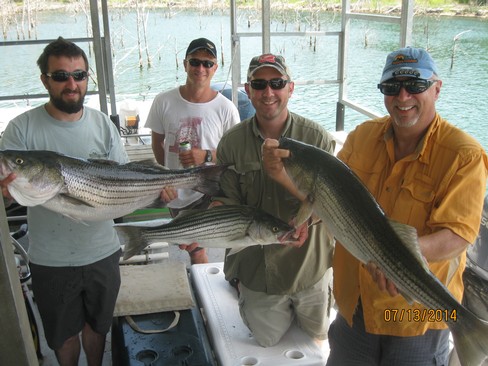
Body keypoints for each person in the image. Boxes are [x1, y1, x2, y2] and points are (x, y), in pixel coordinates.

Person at [263, 47, 488, 365]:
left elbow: (458, 236)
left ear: (437, 89)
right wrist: (281, 176)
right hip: (355, 307)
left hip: (417, 317)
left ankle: (469, 331)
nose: (403, 96)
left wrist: (398, 262)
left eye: (415, 86)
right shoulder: (362, 137)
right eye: (391, 87)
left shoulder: (463, 155)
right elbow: (325, 199)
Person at [0, 37, 171, 366]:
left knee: (97, 328)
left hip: (103, 252)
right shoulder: (20, 131)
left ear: (87, 78)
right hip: (50, 260)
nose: (71, 84)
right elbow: (10, 191)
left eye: (79, 75)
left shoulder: (102, 125)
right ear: (45, 80)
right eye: (61, 76)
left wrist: (157, 189)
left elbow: (124, 179)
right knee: (63, 337)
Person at [209, 53, 336, 348]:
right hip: (257, 269)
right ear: (248, 89)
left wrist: (310, 218)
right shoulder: (231, 143)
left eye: (277, 83)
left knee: (317, 335)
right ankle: (241, 286)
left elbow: (331, 202)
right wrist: (208, 218)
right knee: (267, 341)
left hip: (310, 266)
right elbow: (228, 202)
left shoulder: (316, 139)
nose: (268, 92)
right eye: (260, 84)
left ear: (290, 88)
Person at [145, 37, 240, 264]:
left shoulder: (226, 108)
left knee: (197, 248)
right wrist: (168, 176)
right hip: (175, 194)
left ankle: (207, 287)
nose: (201, 68)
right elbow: (158, 144)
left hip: (211, 191)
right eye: (195, 61)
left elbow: (235, 155)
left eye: (208, 63)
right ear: (184, 63)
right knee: (190, 247)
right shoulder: (163, 101)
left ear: (215, 68)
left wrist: (206, 155)